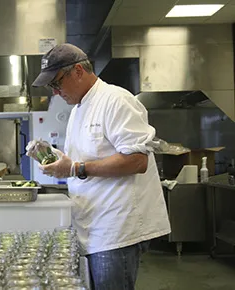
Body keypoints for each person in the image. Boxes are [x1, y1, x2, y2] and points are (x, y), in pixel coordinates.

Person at [31, 43, 171, 290]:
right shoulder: (78, 110)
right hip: (93, 224)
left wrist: (76, 169)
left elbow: (137, 160)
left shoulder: (116, 100)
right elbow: (83, 158)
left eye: (56, 82)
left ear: (77, 71)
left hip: (117, 229)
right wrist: (51, 157)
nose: (55, 92)